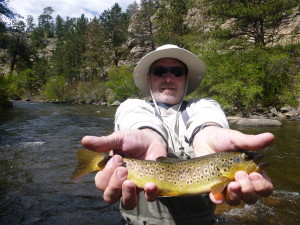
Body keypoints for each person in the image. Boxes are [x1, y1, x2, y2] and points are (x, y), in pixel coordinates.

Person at [82, 44, 274, 224]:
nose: (168, 78)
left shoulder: (203, 106)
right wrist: (148, 135)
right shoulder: (133, 106)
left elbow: (207, 120)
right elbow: (136, 119)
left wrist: (209, 133)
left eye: (176, 72)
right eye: (159, 72)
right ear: (149, 78)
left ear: (185, 78)